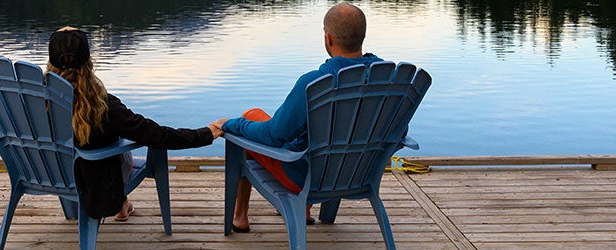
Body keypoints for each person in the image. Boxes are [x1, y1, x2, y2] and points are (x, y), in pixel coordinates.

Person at [220, 2, 383, 232]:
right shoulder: (387, 80)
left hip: (307, 179)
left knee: (250, 119)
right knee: (302, 132)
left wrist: (230, 124)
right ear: (362, 36)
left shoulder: (315, 83)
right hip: (360, 173)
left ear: (328, 38)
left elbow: (273, 136)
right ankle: (304, 211)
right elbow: (398, 133)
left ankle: (239, 218)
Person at [47, 26, 227, 221]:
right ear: (89, 61)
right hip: (100, 183)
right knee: (126, 144)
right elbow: (156, 135)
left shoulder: (35, 100)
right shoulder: (102, 106)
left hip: (53, 173)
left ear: (51, 61)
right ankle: (121, 202)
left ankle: (122, 204)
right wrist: (206, 133)